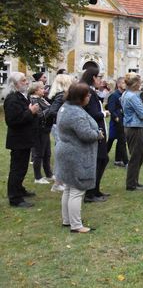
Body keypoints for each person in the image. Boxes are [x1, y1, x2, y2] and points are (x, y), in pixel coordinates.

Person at [55, 82, 104, 233]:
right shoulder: (75, 113)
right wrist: (98, 134)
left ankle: (67, 220)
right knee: (77, 190)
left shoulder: (65, 108)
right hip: (75, 154)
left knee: (69, 188)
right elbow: (85, 134)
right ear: (80, 97)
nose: (89, 97)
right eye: (87, 95)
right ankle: (76, 225)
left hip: (66, 151)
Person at [4, 72, 40, 208]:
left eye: (26, 80)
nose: (26, 82)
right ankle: (14, 198)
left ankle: (19, 189)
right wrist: (30, 112)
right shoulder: (12, 99)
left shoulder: (22, 96)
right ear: (15, 84)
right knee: (17, 169)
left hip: (24, 138)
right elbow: (12, 121)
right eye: (23, 80)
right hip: (18, 140)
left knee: (22, 167)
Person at [80, 67, 110, 202]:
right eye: (99, 77)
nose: (101, 80)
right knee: (99, 160)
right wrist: (104, 113)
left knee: (102, 160)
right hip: (95, 130)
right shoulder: (88, 91)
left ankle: (96, 190)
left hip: (98, 130)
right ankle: (90, 193)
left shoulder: (91, 91)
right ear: (93, 77)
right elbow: (92, 113)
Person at [48, 74, 75, 192]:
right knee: (62, 154)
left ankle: (60, 180)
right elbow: (53, 111)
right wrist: (64, 118)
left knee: (62, 153)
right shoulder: (60, 96)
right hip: (58, 127)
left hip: (57, 126)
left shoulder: (57, 95)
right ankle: (58, 182)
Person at [121, 73, 143, 191]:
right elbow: (142, 114)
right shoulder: (133, 97)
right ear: (135, 84)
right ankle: (131, 183)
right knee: (136, 156)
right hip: (135, 127)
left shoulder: (125, 94)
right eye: (139, 83)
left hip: (129, 126)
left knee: (138, 155)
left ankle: (134, 181)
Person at [28, 82, 53, 184]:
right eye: (42, 89)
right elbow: (39, 115)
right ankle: (37, 177)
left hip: (45, 129)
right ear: (36, 90)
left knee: (47, 153)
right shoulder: (34, 100)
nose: (44, 90)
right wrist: (50, 110)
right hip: (38, 130)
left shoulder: (42, 99)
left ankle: (49, 174)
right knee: (39, 153)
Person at [107, 77, 129, 167]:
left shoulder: (124, 94)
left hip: (123, 120)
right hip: (116, 122)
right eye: (124, 82)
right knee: (111, 140)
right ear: (119, 84)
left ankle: (118, 159)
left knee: (121, 141)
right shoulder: (114, 95)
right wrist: (116, 117)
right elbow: (111, 109)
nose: (126, 84)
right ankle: (101, 157)